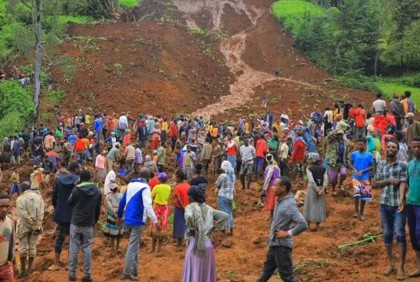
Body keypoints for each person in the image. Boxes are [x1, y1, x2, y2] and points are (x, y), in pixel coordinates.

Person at [258, 177, 308, 282]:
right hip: (274, 244)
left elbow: (303, 223)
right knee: (266, 273)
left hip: (282, 247)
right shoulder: (280, 201)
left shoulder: (289, 204)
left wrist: (288, 233)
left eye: (275, 185)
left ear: (283, 188)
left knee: (287, 277)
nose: (272, 188)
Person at [373, 140, 407, 280]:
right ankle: (390, 263)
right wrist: (388, 181)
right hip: (384, 204)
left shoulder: (402, 165)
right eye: (389, 147)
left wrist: (401, 199)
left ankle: (401, 267)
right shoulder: (381, 164)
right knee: (387, 233)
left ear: (397, 151)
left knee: (399, 233)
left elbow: (403, 183)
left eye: (394, 147)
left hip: (397, 205)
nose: (391, 149)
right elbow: (376, 183)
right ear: (386, 149)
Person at [118, 168, 160, 281]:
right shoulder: (145, 187)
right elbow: (147, 205)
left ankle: (134, 269)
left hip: (127, 219)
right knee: (132, 246)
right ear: (148, 178)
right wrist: (155, 220)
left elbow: (122, 201)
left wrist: (119, 215)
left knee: (135, 244)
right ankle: (127, 272)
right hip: (137, 220)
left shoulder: (130, 185)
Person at [182, 186, 228, 282]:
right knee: (205, 272)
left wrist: (192, 227)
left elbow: (189, 216)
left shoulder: (190, 208)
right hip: (208, 245)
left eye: (189, 196)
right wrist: (214, 227)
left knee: (195, 270)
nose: (187, 198)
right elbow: (225, 216)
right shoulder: (208, 209)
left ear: (192, 197)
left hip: (196, 244)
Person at [67, 169, 102, 282]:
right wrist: (94, 221)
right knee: (87, 248)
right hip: (89, 223)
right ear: (90, 178)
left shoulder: (76, 190)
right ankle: (87, 274)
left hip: (76, 222)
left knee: (74, 247)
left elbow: (70, 202)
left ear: (80, 178)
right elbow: (98, 209)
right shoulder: (97, 191)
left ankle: (72, 273)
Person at [50, 162, 80, 271]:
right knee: (73, 239)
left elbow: (54, 197)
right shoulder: (78, 180)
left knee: (59, 238)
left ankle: (56, 263)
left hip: (61, 213)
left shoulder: (59, 180)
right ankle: (70, 263)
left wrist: (57, 207)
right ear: (76, 169)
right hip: (74, 214)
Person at [16, 181, 44, 278]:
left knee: (23, 248)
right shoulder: (39, 198)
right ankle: (29, 270)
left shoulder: (20, 199)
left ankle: (23, 271)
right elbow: (41, 212)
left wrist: (31, 223)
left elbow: (23, 214)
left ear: (22, 189)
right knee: (32, 246)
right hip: (36, 226)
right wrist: (37, 224)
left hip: (24, 226)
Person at [349, 138, 374, 221]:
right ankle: (356, 211)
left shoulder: (369, 155)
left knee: (364, 197)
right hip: (356, 177)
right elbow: (350, 163)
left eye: (361, 144)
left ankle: (361, 213)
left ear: (365, 145)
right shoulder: (354, 154)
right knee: (357, 195)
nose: (360, 146)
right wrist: (355, 170)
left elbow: (372, 166)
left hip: (365, 178)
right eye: (358, 144)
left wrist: (363, 171)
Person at [405, 136, 420, 278]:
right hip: (411, 204)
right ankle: (418, 266)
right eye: (413, 147)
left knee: (419, 233)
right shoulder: (410, 164)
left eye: (418, 147)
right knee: (414, 236)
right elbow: (407, 183)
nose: (416, 149)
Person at [303, 154, 327, 231]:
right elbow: (326, 180)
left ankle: (308, 225)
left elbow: (311, 180)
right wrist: (322, 189)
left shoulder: (309, 168)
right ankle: (317, 226)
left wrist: (316, 189)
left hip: (312, 189)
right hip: (321, 188)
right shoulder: (323, 168)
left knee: (309, 205)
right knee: (319, 205)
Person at [150, 172, 171, 256]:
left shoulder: (157, 187)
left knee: (155, 226)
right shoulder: (169, 187)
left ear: (159, 179)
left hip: (157, 208)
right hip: (165, 208)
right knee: (162, 228)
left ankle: (153, 248)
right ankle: (159, 248)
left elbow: (151, 196)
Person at [324, 130, 349, 196]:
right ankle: (333, 189)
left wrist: (347, 160)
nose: (340, 136)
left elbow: (347, 152)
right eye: (339, 134)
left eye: (341, 134)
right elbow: (329, 135)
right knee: (333, 178)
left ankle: (340, 184)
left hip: (342, 162)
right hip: (333, 163)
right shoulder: (332, 142)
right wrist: (336, 130)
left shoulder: (345, 143)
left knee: (343, 174)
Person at [215, 161, 236, 236]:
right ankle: (231, 229)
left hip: (222, 196)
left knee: (223, 213)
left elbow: (216, 184)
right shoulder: (233, 175)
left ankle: (223, 230)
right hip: (230, 197)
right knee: (230, 213)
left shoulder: (222, 176)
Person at [0, 193, 15, 282]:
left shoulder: (10, 223)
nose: (4, 209)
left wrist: (13, 261)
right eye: (1, 207)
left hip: (5, 266)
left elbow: (12, 243)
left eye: (6, 206)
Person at [261, 154, 281, 220]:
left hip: (271, 186)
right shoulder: (277, 167)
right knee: (275, 201)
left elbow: (267, 179)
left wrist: (264, 188)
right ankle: (272, 216)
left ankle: (272, 217)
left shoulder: (269, 168)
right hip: (278, 186)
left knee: (271, 201)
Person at [104, 183, 123, 253]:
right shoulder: (121, 196)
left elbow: (109, 207)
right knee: (119, 233)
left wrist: (114, 213)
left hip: (112, 216)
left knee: (112, 234)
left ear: (110, 189)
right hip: (120, 215)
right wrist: (119, 213)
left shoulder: (108, 196)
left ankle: (112, 248)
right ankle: (117, 247)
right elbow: (123, 206)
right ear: (117, 188)